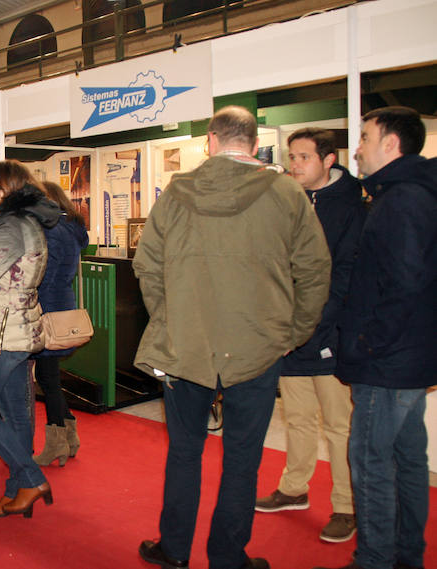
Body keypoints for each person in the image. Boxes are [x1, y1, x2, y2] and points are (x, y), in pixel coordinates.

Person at [133, 106, 331, 569]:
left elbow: (147, 267)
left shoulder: (177, 193)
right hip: (258, 349)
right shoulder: (286, 193)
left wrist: (170, 320)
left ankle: (174, 551)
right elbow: (315, 269)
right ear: (255, 142)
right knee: (242, 458)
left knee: (184, 452)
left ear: (211, 141)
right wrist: (293, 332)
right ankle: (227, 556)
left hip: (186, 349)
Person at [313, 107, 437, 569]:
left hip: (387, 364)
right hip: (407, 359)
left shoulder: (403, 200)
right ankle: (405, 557)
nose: (357, 148)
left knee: (370, 465)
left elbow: (404, 283)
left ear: (391, 144)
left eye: (364, 137)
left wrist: (367, 342)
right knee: (406, 462)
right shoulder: (407, 195)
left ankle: (376, 559)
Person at [255, 128, 366, 543]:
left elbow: (345, 278)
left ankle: (346, 506)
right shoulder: (287, 202)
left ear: (328, 160)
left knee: (339, 426)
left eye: (303, 157)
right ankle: (293, 488)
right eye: (292, 157)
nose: (295, 164)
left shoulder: (353, 207)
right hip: (290, 335)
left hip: (331, 335)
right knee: (297, 418)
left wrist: (311, 329)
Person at [0, 160, 61, 519]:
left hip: (0, 332)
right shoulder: (26, 221)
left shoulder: (9, 225)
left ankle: (31, 480)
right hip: (16, 329)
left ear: (4, 189)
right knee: (17, 417)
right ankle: (17, 490)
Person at [31, 181, 89, 466]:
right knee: (50, 377)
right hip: (61, 307)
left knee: (48, 379)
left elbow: (45, 274)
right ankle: (69, 435)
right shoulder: (72, 229)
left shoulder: (52, 231)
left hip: (46, 311)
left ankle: (57, 444)